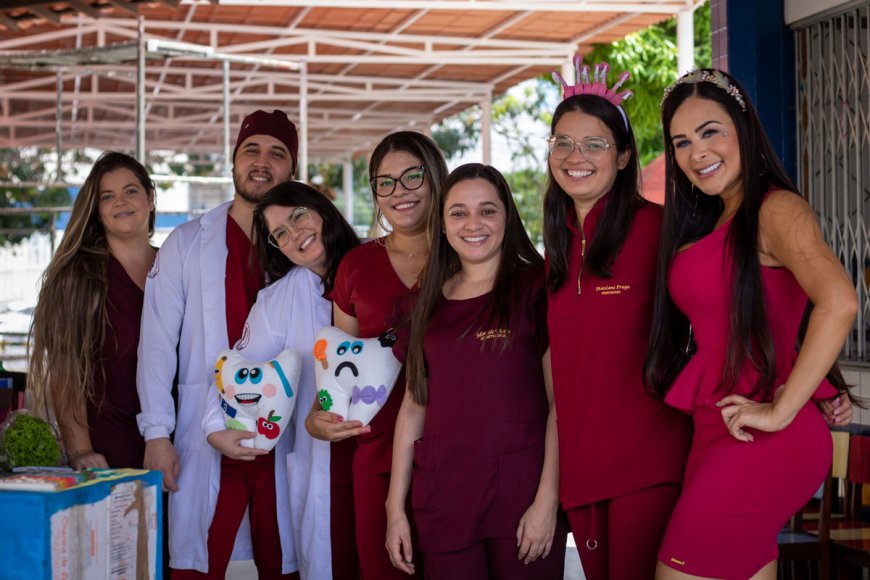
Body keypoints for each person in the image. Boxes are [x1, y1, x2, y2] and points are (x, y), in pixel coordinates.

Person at [646, 68, 858, 580]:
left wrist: (783, 410)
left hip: (763, 437)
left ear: (743, 129)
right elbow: (766, 319)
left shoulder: (776, 209)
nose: (697, 152)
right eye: (681, 141)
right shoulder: (714, 219)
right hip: (715, 428)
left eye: (711, 131)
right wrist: (824, 385)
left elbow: (839, 302)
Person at [542, 60, 692, 580]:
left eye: (594, 143)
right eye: (561, 142)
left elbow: (728, 307)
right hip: (581, 469)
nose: (573, 156)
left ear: (625, 156)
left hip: (648, 463)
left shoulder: (660, 230)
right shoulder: (554, 253)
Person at [137, 109, 298, 578]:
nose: (262, 162)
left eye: (277, 153)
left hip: (285, 435)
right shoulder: (187, 243)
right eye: (251, 150)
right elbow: (157, 344)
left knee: (288, 559)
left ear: (293, 167)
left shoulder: (304, 247)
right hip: (202, 433)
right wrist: (156, 434)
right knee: (199, 563)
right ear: (233, 162)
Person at [386, 163, 566, 579]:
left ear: (508, 216)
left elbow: (562, 405)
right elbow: (414, 409)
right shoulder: (423, 304)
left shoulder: (536, 290)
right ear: (443, 224)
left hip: (521, 500)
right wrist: (395, 508)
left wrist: (547, 500)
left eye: (487, 210)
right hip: (444, 499)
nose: (473, 224)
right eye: (458, 212)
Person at [305, 130, 448, 579]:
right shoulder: (356, 266)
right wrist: (318, 418)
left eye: (411, 177)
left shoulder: (469, 252)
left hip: (457, 455)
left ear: (435, 177)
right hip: (376, 460)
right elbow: (338, 367)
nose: (398, 192)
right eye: (384, 183)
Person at [203, 181, 360, 580]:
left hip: (387, 447)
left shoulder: (377, 265)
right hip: (322, 458)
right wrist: (214, 427)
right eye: (280, 234)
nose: (295, 235)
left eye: (297, 216)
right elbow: (238, 370)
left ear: (321, 209)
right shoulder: (277, 301)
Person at [30, 151, 157, 470]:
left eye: (131, 191)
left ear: (150, 198)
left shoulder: (177, 266)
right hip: (110, 449)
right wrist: (80, 450)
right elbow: (65, 370)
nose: (121, 202)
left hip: (178, 443)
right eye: (107, 196)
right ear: (97, 210)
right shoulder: (79, 277)